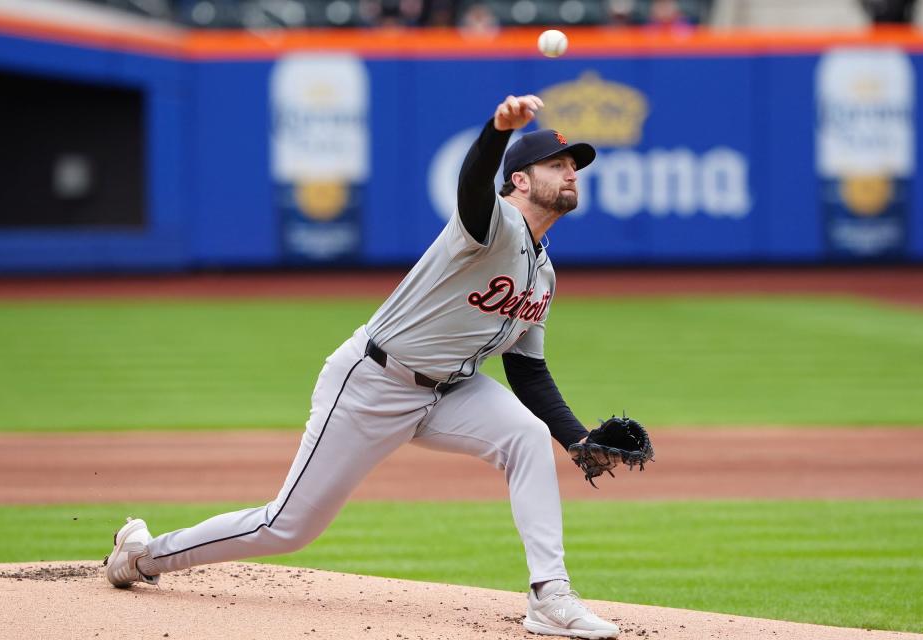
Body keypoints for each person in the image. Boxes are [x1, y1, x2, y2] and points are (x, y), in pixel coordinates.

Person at [104, 94, 620, 639]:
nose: (571, 175)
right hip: (373, 381)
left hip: (451, 391)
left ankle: (549, 597)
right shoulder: (493, 225)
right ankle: (144, 555)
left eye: (575, 168)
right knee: (287, 527)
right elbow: (472, 186)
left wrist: (577, 439)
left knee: (527, 437)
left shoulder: (544, 274)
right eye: (558, 165)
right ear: (518, 180)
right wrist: (496, 130)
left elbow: (528, 371)